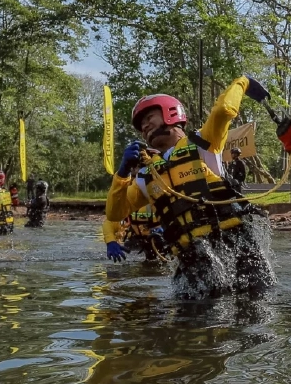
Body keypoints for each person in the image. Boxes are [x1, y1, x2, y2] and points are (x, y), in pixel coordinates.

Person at [104, 77, 277, 297]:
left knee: (255, 308)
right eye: (141, 127)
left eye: (149, 118)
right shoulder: (147, 175)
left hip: (235, 245)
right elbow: (114, 213)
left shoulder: (204, 143)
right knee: (192, 320)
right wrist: (122, 173)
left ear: (171, 113)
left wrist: (243, 83)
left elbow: (224, 110)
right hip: (191, 260)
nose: (145, 126)